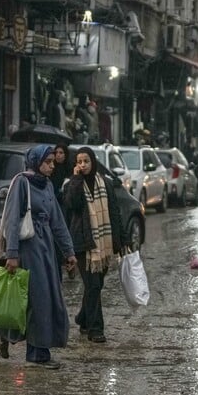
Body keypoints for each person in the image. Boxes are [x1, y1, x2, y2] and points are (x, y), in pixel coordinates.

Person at [0, 145, 76, 368]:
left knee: (47, 296)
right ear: (36, 161)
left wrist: (69, 251)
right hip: (28, 248)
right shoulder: (22, 182)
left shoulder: (47, 185)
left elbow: (57, 221)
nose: (51, 165)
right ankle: (37, 353)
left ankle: (11, 336)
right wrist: (12, 254)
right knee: (37, 298)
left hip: (46, 247)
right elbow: (11, 220)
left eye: (52, 162)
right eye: (47, 161)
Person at [63, 147, 124, 343]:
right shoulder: (72, 184)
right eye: (79, 162)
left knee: (96, 285)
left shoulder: (105, 183)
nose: (83, 165)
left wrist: (119, 240)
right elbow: (71, 204)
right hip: (83, 243)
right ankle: (95, 329)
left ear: (93, 162)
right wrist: (76, 180)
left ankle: (83, 318)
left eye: (86, 161)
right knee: (93, 284)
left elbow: (114, 212)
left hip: (103, 243)